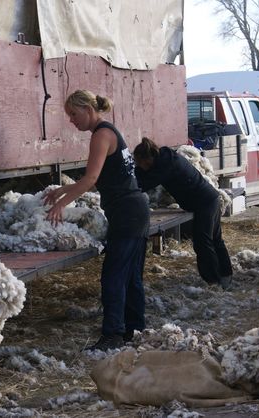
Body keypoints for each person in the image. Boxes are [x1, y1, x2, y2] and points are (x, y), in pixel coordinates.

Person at [43, 90, 150, 351]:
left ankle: (113, 335)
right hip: (136, 210)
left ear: (88, 110)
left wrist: (61, 205)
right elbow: (96, 179)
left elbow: (91, 178)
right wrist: (62, 190)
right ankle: (134, 330)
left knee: (113, 276)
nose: (71, 121)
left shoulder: (101, 135)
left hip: (126, 213)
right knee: (131, 276)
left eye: (73, 114)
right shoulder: (109, 131)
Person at [133, 137, 233, 289]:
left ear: (148, 158)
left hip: (205, 202)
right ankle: (225, 276)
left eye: (141, 163)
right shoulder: (164, 157)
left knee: (203, 242)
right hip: (210, 198)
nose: (141, 167)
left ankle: (214, 281)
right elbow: (144, 174)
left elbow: (145, 182)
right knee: (214, 239)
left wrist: (125, 187)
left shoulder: (165, 164)